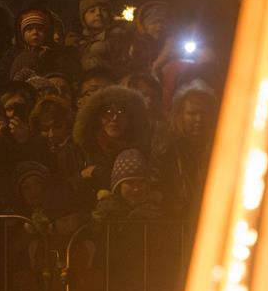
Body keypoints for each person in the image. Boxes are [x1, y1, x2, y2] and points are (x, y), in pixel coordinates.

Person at [63, 84, 152, 212]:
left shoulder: (144, 148)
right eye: (108, 112)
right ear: (97, 116)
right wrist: (82, 175)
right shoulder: (80, 148)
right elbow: (65, 188)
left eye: (121, 112)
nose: (114, 118)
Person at [153, 80, 218, 219]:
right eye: (192, 113)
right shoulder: (166, 151)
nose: (199, 119)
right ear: (180, 115)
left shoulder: (221, 151)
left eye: (203, 113)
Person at [64, 0, 130, 75]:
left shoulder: (121, 35)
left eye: (104, 10)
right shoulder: (74, 42)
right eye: (92, 11)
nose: (98, 13)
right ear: (83, 17)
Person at [92, 148, 164, 222]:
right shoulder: (106, 209)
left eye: (141, 182)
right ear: (118, 186)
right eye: (129, 183)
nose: (136, 189)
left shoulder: (155, 208)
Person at [8, 8, 79, 80]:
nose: (35, 33)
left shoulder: (57, 55)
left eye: (40, 29)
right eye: (29, 29)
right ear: (22, 35)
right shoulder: (16, 55)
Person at [128, 1, 171, 75]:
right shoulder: (135, 44)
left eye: (163, 22)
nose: (160, 26)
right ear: (145, 25)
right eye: (154, 22)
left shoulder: (170, 43)